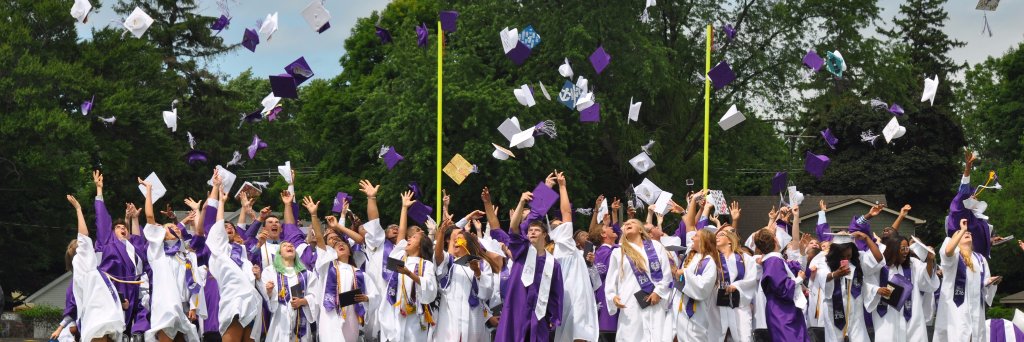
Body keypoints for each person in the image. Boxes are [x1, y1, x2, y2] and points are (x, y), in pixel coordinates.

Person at [495, 175, 565, 342]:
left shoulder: (552, 264)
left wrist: (554, 317)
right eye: (530, 230)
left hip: (539, 315)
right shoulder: (522, 251)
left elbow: (557, 293)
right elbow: (514, 228)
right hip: (517, 309)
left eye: (536, 230)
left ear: (545, 235)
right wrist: (522, 202)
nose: (532, 232)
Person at [139, 177, 203, 342]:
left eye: (176, 227)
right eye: (169, 228)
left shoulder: (188, 255)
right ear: (160, 235)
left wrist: (194, 307)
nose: (175, 227)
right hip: (165, 307)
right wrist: (148, 191)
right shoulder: (157, 253)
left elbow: (196, 282)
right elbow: (149, 217)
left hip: (185, 307)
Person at [204, 172, 263, 342]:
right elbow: (216, 223)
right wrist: (220, 199)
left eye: (231, 227)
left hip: (251, 300)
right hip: (233, 301)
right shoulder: (219, 249)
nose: (228, 228)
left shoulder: (242, 252)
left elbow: (247, 236)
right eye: (225, 227)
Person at [377, 190, 438, 341]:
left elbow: (430, 288)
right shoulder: (400, 257)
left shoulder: (426, 265)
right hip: (396, 313)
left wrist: (409, 273)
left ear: (421, 244)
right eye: (409, 238)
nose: (409, 239)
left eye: (414, 238)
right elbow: (401, 234)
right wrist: (404, 208)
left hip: (416, 318)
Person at [546, 172, 599, 342]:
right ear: (554, 231)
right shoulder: (564, 243)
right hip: (575, 295)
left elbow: (595, 280)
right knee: (579, 332)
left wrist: (589, 264)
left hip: (571, 294)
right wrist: (562, 186)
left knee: (571, 334)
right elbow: (566, 211)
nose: (563, 223)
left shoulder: (564, 248)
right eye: (559, 224)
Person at [258, 191, 317, 342]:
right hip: (277, 314)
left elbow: (315, 294)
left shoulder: (304, 272)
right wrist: (269, 291)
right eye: (286, 246)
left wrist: (304, 301)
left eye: (292, 245)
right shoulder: (267, 264)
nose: (290, 246)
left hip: (300, 315)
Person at [67, 194, 126, 341]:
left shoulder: (89, 271)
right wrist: (78, 209)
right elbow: (84, 234)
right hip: (98, 314)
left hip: (97, 314)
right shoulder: (84, 263)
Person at [314, 205, 375, 342]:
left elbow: (374, 295)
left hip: (351, 318)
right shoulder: (326, 267)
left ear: (350, 250)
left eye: (343, 244)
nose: (339, 245)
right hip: (330, 316)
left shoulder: (360, 274)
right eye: (335, 245)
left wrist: (366, 298)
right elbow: (319, 239)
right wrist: (313, 215)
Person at [604, 217, 671, 341]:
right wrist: (612, 296)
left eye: (632, 222)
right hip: (630, 301)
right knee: (631, 336)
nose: (628, 224)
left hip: (654, 301)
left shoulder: (656, 246)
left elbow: (666, 273)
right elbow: (610, 280)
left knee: (656, 335)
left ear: (640, 229)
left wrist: (658, 292)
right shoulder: (618, 253)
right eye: (625, 224)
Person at [933, 218, 1000, 342]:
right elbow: (947, 251)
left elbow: (983, 284)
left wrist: (990, 282)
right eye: (962, 233)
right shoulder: (954, 257)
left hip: (976, 308)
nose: (967, 233)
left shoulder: (980, 259)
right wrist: (962, 229)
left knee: (975, 337)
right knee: (958, 335)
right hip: (955, 307)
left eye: (969, 232)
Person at [865, 235, 938, 342]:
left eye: (907, 248)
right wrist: (877, 290)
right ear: (893, 249)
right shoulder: (880, 267)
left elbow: (926, 281)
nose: (906, 251)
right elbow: (866, 283)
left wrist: (930, 261)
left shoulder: (913, 264)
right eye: (902, 248)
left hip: (912, 315)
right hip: (887, 316)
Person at [433, 226, 493, 342]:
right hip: (450, 317)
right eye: (454, 239)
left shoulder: (482, 264)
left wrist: (477, 271)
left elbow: (487, 293)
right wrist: (440, 234)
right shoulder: (449, 262)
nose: (455, 241)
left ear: (468, 243)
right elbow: (438, 256)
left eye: (459, 239)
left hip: (473, 317)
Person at [822, 230, 883, 342]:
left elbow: (878, 258)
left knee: (859, 338)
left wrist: (866, 238)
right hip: (834, 309)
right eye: (842, 256)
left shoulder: (859, 260)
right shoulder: (825, 261)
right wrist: (835, 274)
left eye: (848, 255)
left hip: (855, 309)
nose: (846, 259)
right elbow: (819, 279)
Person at [753, 228, 808, 342]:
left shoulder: (776, 260)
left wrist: (802, 252)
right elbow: (781, 287)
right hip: (781, 311)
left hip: (785, 309)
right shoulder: (774, 261)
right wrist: (799, 279)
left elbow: (797, 269)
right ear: (775, 240)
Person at [671, 228, 721, 341]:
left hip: (696, 312)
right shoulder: (693, 258)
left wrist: (684, 273)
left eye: (696, 236)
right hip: (680, 307)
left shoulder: (709, 261)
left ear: (704, 240)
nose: (692, 238)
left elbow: (703, 287)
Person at [715, 228, 757, 342]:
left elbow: (752, 279)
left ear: (729, 240)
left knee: (744, 337)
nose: (717, 237)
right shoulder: (712, 259)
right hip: (718, 305)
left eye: (721, 235)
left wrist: (737, 286)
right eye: (716, 235)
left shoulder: (745, 258)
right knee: (716, 337)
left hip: (739, 305)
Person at [588, 195, 620, 342]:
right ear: (603, 234)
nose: (612, 227)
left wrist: (611, 217)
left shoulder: (613, 249)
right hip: (607, 307)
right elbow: (601, 274)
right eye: (608, 228)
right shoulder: (602, 252)